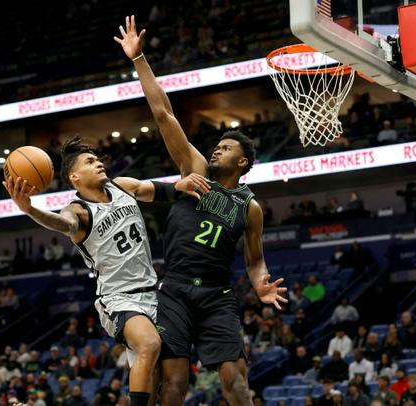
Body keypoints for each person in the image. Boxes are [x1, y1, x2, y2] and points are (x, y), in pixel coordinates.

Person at [114, 15, 287, 406]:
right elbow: (163, 114)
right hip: (174, 289)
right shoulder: (195, 171)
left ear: (243, 162)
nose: (216, 150)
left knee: (235, 379)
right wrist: (139, 59)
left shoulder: (250, 207)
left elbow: (254, 259)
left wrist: (260, 282)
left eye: (226, 148)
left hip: (216, 294)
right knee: (173, 383)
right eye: (217, 146)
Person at [4, 136, 208, 406]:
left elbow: (156, 190)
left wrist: (181, 185)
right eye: (90, 161)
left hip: (154, 294)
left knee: (167, 380)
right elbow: (62, 224)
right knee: (149, 344)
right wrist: (29, 209)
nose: (99, 163)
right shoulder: (78, 211)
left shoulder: (122, 185)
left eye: (98, 159)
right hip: (118, 299)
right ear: (75, 177)